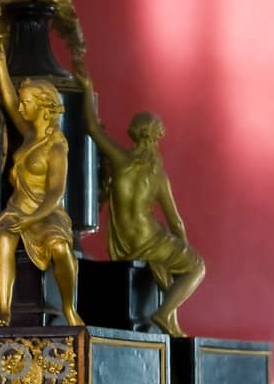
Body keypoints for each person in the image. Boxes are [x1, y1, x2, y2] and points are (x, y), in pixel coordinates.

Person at [88, 106, 205, 337]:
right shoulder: (157, 175)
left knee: (168, 266)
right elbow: (176, 222)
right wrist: (183, 248)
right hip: (151, 239)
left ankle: (169, 319)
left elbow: (92, 127)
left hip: (126, 245)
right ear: (155, 137)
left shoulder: (119, 159)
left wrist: (86, 87)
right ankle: (164, 313)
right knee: (197, 266)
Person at [0, 57, 83, 328]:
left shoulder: (56, 147)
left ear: (42, 106)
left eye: (26, 102)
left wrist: (33, 218)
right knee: (5, 233)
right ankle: (4, 310)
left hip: (47, 213)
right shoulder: (28, 134)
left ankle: (68, 308)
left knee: (60, 248)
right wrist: (1, 63)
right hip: (19, 207)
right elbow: (7, 99)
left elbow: (55, 192)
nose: (20, 106)